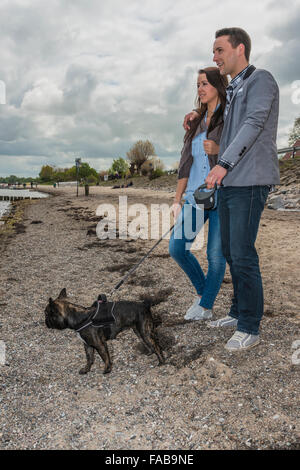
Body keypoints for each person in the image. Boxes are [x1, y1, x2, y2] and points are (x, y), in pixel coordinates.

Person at [184, 27, 280, 351]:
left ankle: (250, 327)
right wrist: (197, 116)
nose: (214, 57)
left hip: (250, 180)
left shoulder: (261, 80)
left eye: (219, 50)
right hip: (229, 183)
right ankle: (238, 313)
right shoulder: (234, 90)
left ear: (239, 49)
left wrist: (222, 163)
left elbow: (254, 124)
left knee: (242, 253)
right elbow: (221, 123)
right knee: (229, 252)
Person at [169, 67, 228, 321]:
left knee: (216, 255)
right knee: (177, 247)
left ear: (218, 85)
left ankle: (204, 307)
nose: (200, 89)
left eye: (205, 84)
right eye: (198, 85)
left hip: (222, 195)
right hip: (195, 196)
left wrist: (219, 147)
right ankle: (205, 295)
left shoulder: (229, 115)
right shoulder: (193, 123)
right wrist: (176, 199)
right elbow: (185, 164)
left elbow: (240, 149)